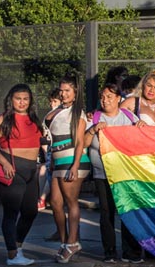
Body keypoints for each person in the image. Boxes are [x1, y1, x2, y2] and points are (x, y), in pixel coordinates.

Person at [84, 83, 145, 263]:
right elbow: (85, 143)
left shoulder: (128, 116)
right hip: (102, 174)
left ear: (119, 99)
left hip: (125, 173)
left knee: (127, 212)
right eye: (103, 97)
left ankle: (131, 252)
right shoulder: (94, 117)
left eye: (110, 97)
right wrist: (93, 129)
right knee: (106, 212)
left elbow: (140, 138)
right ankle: (109, 251)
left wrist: (140, 126)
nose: (105, 100)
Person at [0, 84, 43, 265]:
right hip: (12, 169)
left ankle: (17, 247)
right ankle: (12, 255)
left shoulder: (34, 118)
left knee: (31, 211)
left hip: (32, 169)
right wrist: (4, 163)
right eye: (18, 98)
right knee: (11, 213)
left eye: (25, 98)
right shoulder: (4, 119)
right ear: (11, 100)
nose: (22, 102)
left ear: (30, 100)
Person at [44, 74, 91, 263]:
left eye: (67, 91)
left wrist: (75, 165)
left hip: (73, 159)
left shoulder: (77, 112)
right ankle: (65, 242)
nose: (63, 94)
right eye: (61, 90)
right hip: (57, 160)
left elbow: (80, 141)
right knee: (55, 202)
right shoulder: (57, 109)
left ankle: (72, 243)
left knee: (71, 202)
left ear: (75, 92)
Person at [38, 88, 61, 211]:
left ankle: (42, 198)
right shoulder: (48, 116)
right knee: (47, 171)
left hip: (60, 150)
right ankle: (41, 198)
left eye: (55, 101)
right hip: (50, 150)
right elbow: (43, 137)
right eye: (51, 102)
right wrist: (47, 151)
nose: (52, 104)